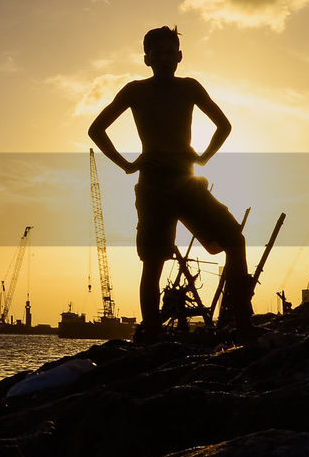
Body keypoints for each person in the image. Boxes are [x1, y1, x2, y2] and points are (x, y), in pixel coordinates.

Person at [88, 26, 255, 342]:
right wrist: (128, 165)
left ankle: (243, 323)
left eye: (170, 52)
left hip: (187, 182)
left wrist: (203, 158)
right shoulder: (135, 90)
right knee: (153, 262)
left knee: (234, 239)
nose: (164, 58)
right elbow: (96, 129)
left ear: (179, 56)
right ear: (147, 58)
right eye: (157, 53)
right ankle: (150, 332)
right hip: (153, 187)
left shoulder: (189, 87)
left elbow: (224, 125)